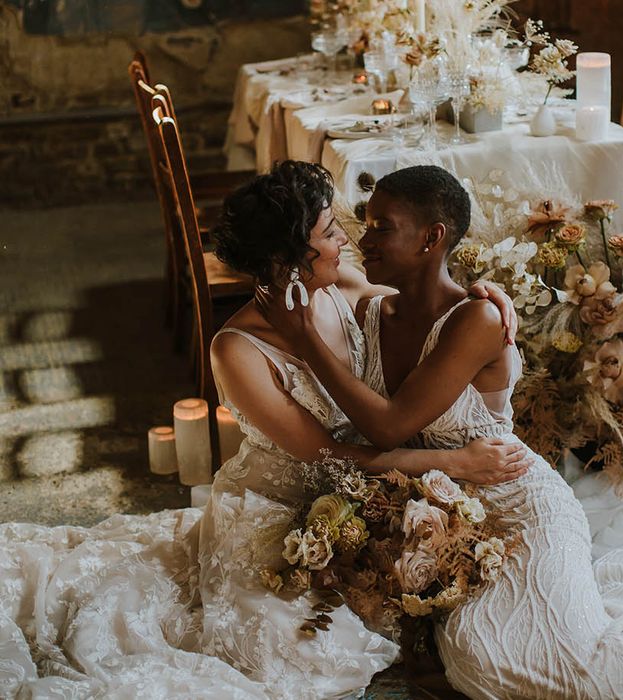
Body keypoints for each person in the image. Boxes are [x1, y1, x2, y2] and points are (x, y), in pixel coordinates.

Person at [0, 160, 532, 699]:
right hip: (278, 505)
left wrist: (483, 295)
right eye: (329, 233)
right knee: (300, 652)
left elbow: (425, 295)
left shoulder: (340, 284)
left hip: (361, 491)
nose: (346, 240)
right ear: (286, 258)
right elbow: (328, 454)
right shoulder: (235, 351)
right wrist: (454, 463)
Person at [258, 164, 623, 699]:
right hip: (448, 521)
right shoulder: (370, 309)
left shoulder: (478, 319)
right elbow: (301, 261)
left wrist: (304, 340)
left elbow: (388, 425)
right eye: (364, 223)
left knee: (578, 678)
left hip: (521, 507)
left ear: (433, 237)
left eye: (382, 226)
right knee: (478, 661)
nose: (364, 239)